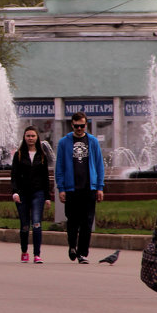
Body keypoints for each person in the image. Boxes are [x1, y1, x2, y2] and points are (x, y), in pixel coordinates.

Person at [54, 112, 105, 264]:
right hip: (71, 189)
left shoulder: (92, 141)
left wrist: (100, 187)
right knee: (73, 221)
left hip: (89, 188)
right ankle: (72, 246)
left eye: (82, 126)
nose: (79, 128)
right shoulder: (64, 142)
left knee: (87, 221)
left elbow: (99, 165)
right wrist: (61, 188)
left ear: (86, 125)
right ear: (72, 125)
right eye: (76, 126)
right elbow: (60, 167)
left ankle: (82, 253)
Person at [9, 126, 52, 264]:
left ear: (37, 137)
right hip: (22, 193)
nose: (30, 138)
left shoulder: (42, 155)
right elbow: (14, 175)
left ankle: (37, 254)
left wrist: (47, 197)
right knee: (25, 225)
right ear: (24, 137)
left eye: (33, 136)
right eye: (28, 136)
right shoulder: (19, 154)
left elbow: (46, 178)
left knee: (37, 223)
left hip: (38, 193)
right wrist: (15, 192)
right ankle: (24, 251)